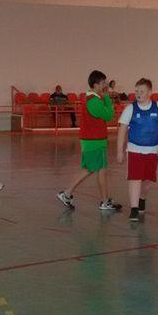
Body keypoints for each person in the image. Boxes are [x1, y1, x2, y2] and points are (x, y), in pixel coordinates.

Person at [57, 70, 122, 211]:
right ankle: (69, 193)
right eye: (103, 83)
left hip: (93, 140)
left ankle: (71, 194)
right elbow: (109, 115)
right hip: (94, 140)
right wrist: (107, 98)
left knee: (95, 169)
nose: (105, 86)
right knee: (94, 169)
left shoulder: (92, 99)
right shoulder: (94, 101)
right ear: (95, 85)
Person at [116, 78, 158, 221]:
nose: (138, 94)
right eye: (136, 91)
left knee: (147, 181)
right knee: (135, 178)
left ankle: (142, 198)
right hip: (134, 150)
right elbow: (122, 130)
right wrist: (120, 151)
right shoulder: (130, 109)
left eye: (142, 91)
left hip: (152, 151)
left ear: (150, 92)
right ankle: (134, 209)